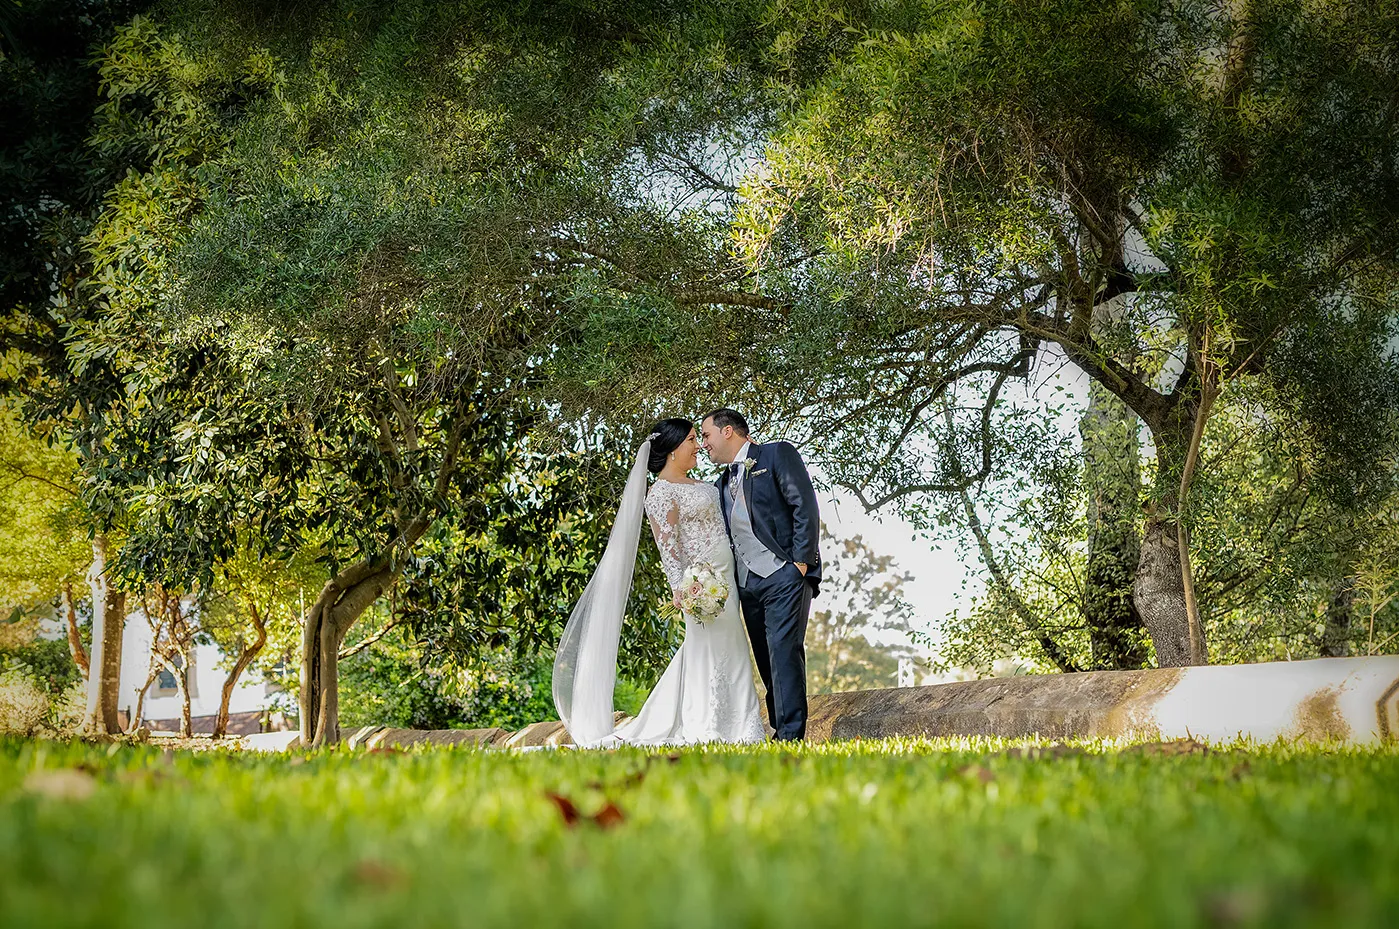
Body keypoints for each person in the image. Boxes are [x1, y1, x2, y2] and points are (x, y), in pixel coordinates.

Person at [553, 418, 766, 747]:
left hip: (728, 580)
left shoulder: (702, 485)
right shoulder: (661, 494)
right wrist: (685, 592)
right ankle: (713, 726)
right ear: (672, 450)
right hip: (704, 587)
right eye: (692, 440)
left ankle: (735, 723)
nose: (698, 446)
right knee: (715, 650)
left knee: (727, 649)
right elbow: (670, 550)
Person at [701, 408, 820, 742]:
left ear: (728, 432)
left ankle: (790, 737)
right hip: (747, 584)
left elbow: (804, 506)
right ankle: (779, 729)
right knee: (767, 659)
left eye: (706, 435)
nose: (704, 444)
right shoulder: (721, 482)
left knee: (784, 650)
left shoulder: (775, 453)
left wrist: (800, 562)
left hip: (784, 573)